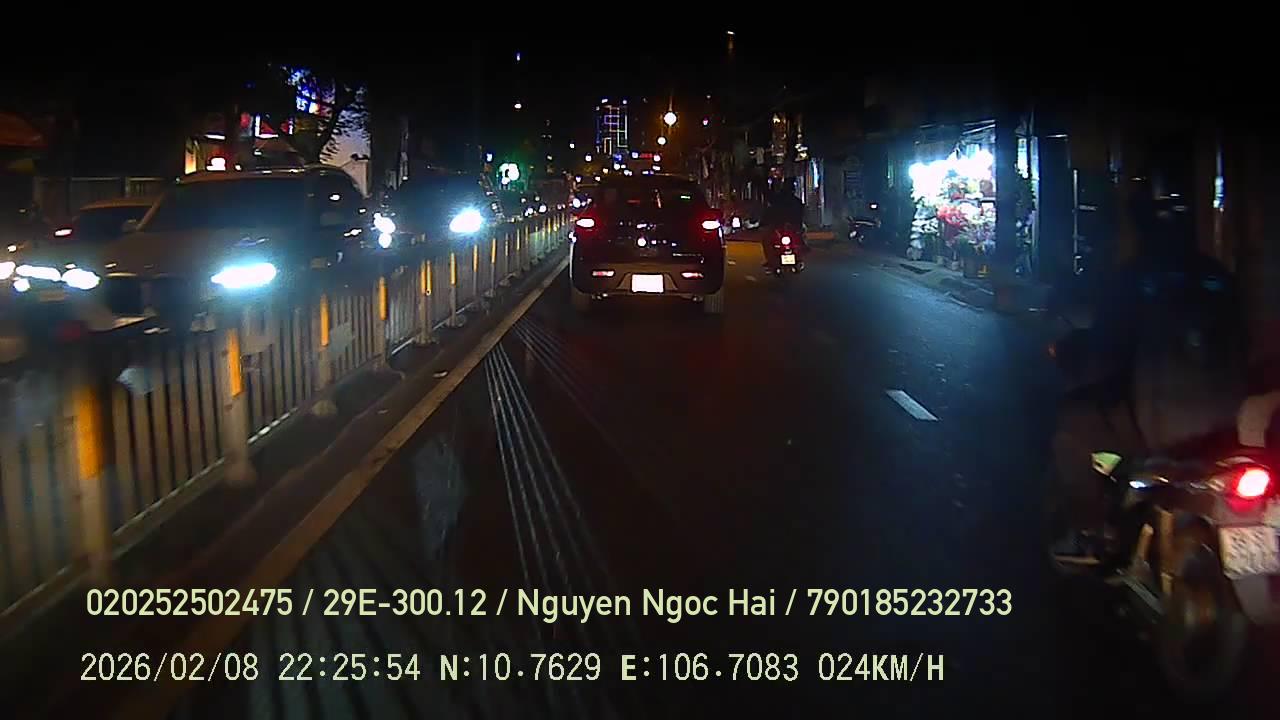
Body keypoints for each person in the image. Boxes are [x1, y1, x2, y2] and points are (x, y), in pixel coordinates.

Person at [1050, 175, 1248, 564]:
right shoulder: (1217, 275)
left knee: (1071, 428)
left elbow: (1104, 348)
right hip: (1229, 425)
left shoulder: (1133, 278)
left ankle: (1088, 532)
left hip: (1156, 427)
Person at [760, 179, 806, 268]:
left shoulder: (780, 200)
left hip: (789, 227)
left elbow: (801, 216)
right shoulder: (794, 201)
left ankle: (771, 259)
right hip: (780, 228)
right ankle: (771, 259)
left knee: (767, 239)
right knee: (767, 239)